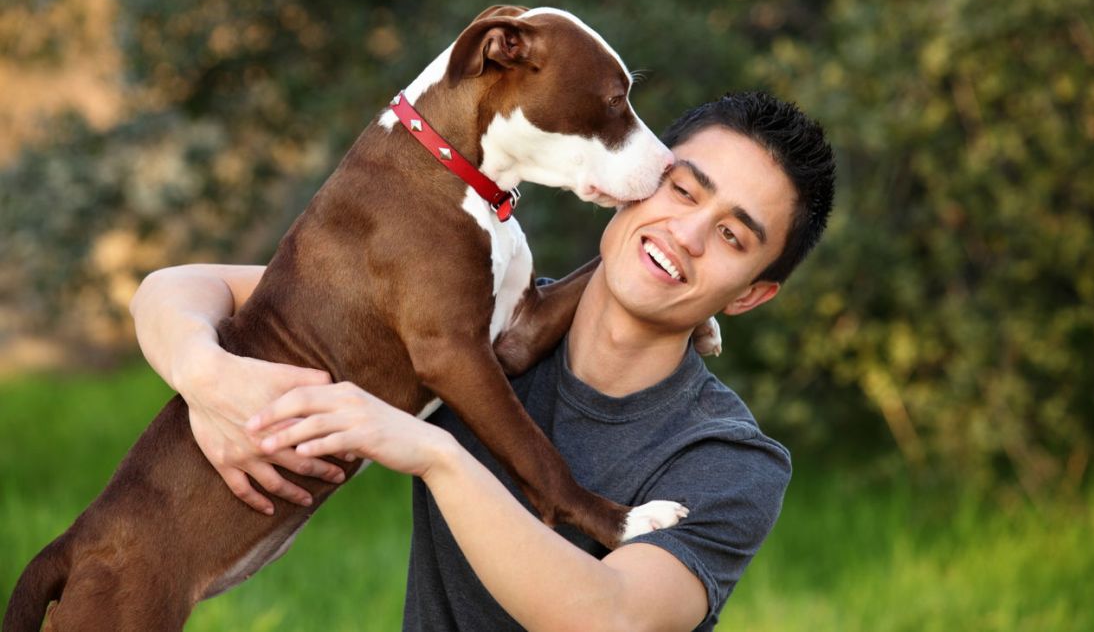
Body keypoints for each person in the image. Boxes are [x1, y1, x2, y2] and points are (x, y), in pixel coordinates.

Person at [131, 90, 835, 631]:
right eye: (683, 190)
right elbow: (181, 287)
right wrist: (209, 378)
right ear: (640, 177)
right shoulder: (488, 323)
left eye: (732, 237)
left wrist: (434, 454)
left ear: (750, 295)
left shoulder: (728, 458)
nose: (687, 234)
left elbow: (610, 618)